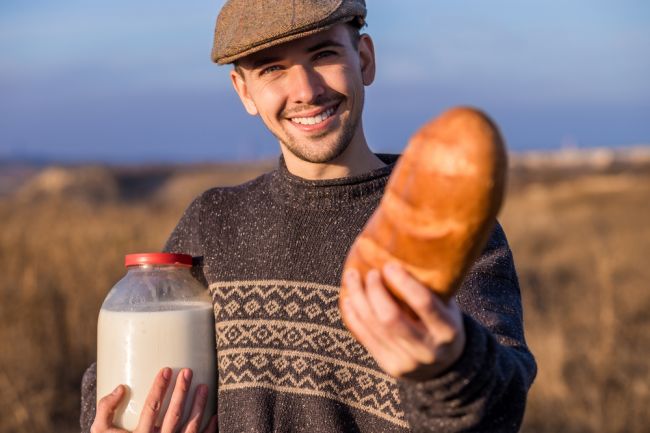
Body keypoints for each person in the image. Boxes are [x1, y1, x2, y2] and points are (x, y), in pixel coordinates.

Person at [81, 0, 537, 432]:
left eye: (323, 53)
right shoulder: (213, 223)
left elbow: (501, 406)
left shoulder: (438, 221)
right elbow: (120, 370)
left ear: (365, 57)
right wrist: (105, 418)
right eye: (272, 68)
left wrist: (450, 364)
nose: (306, 90)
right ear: (244, 91)